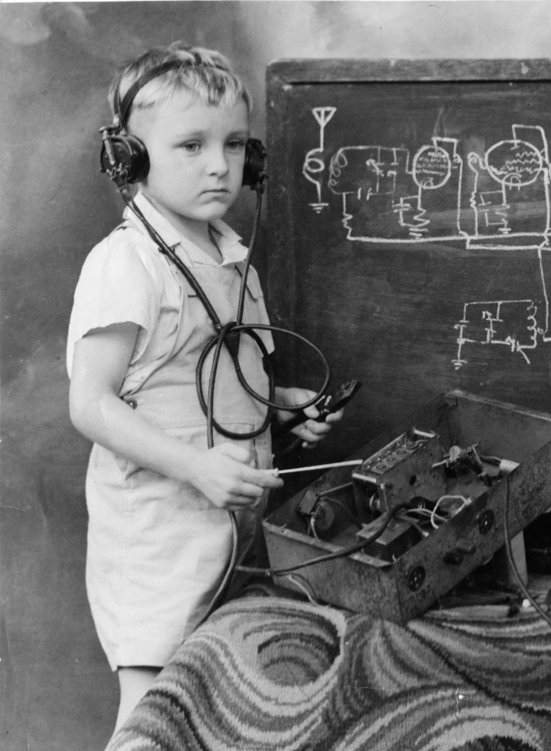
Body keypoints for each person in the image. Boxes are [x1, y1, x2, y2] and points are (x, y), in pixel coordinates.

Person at [67, 41, 338, 732]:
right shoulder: (126, 263)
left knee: (212, 703)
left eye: (236, 145)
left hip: (228, 517)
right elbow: (90, 402)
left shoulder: (230, 256)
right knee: (152, 710)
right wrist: (196, 466)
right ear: (128, 157)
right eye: (190, 145)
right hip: (156, 529)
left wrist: (281, 410)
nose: (220, 165)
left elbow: (216, 378)